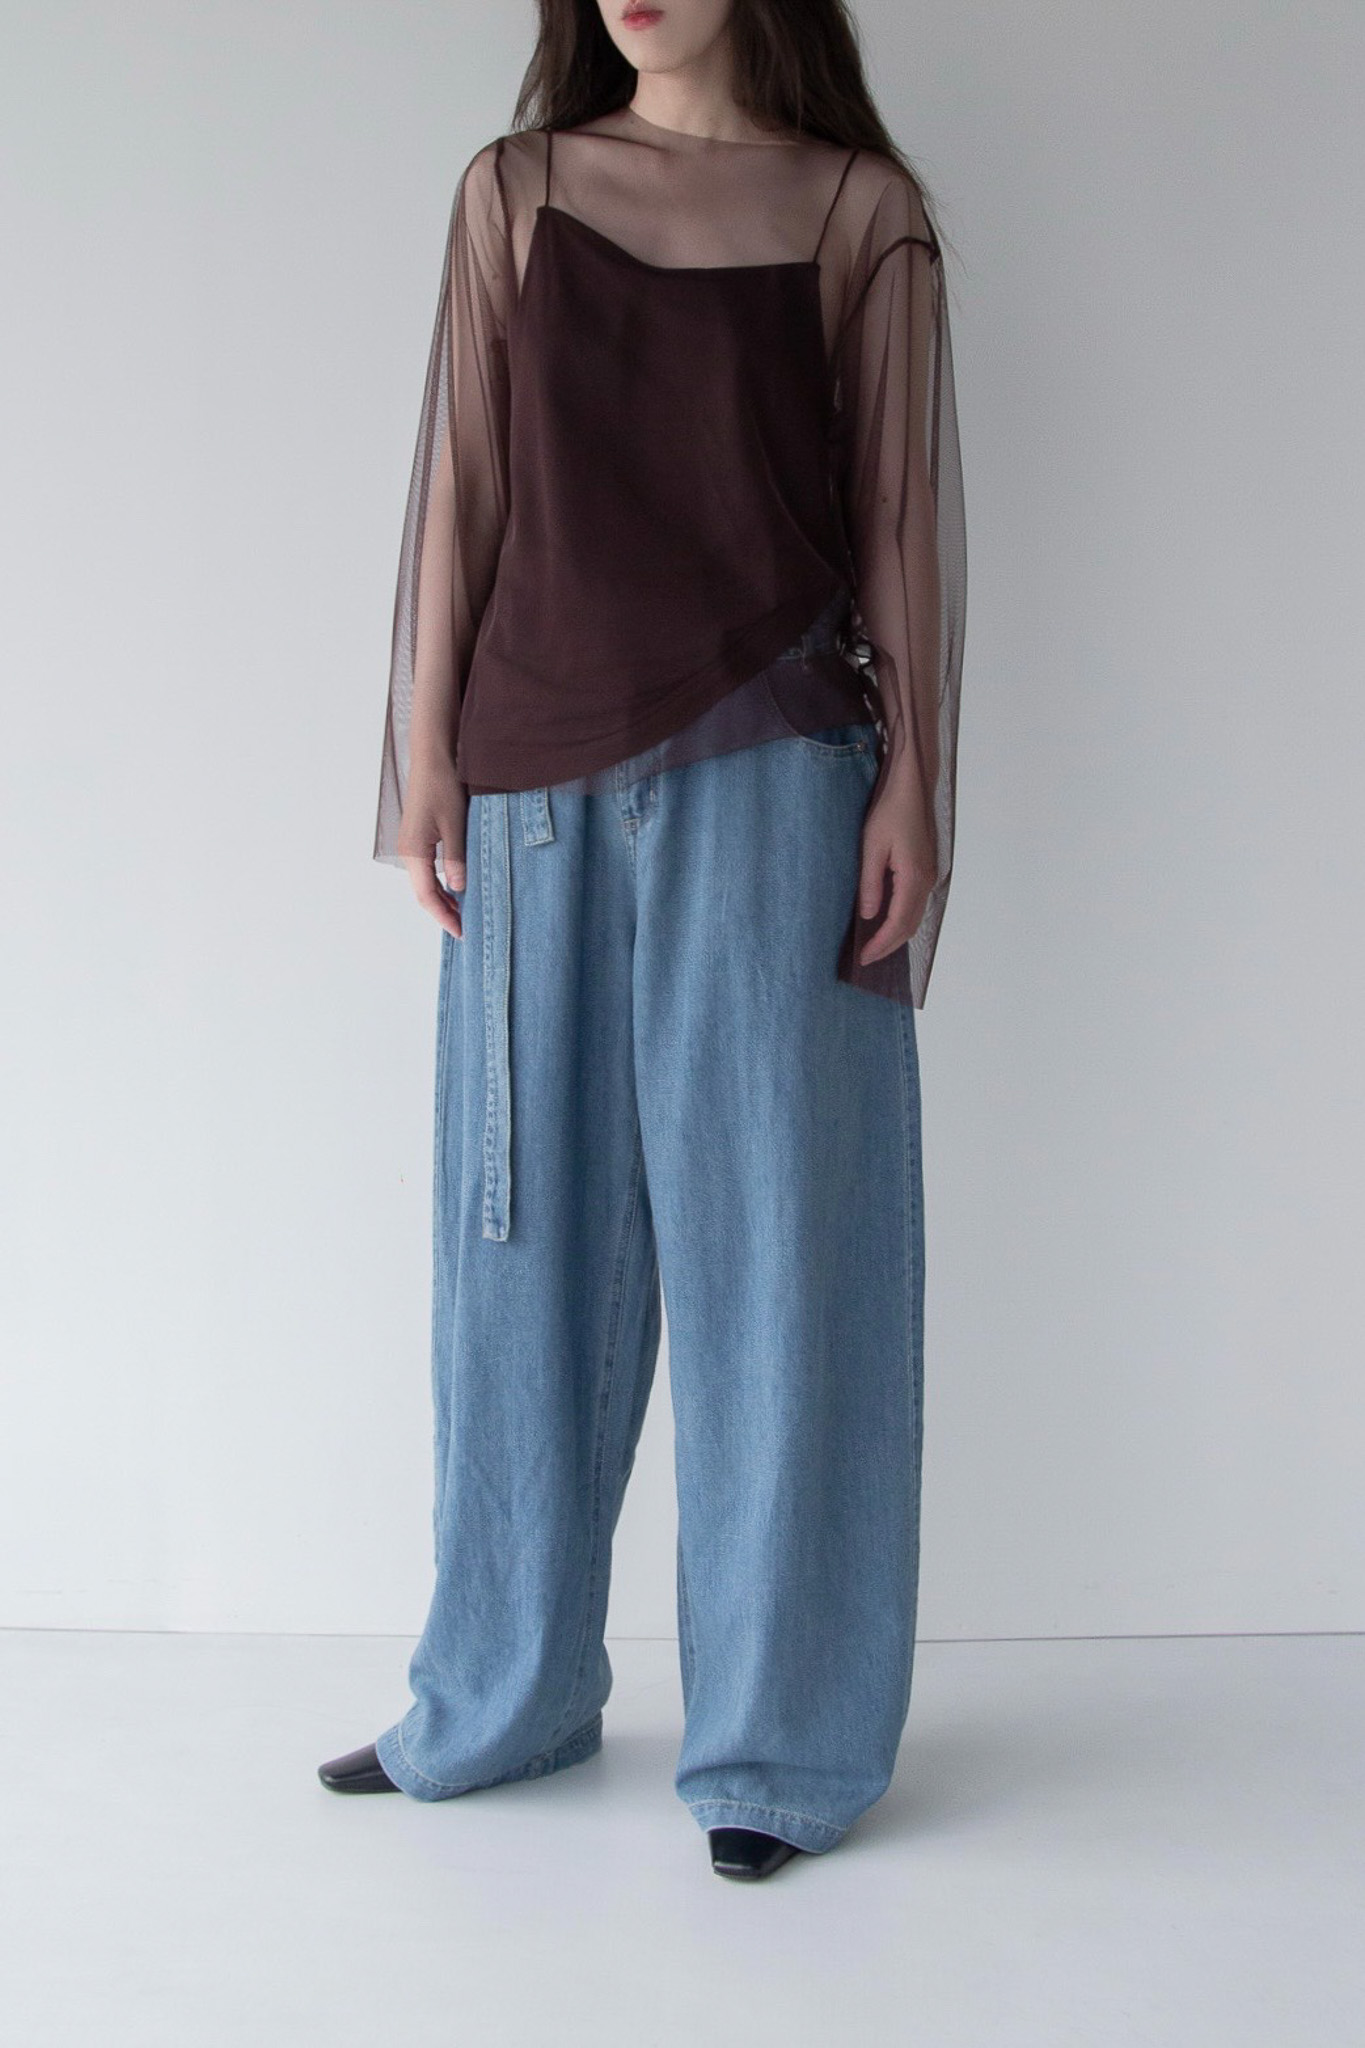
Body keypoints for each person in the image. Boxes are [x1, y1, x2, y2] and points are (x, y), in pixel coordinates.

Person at [320, 0, 966, 1884]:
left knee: (783, 1265)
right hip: (530, 784)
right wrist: (425, 763)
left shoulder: (855, 210)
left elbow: (896, 525)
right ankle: (501, 1695)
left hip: (779, 774)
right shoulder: (514, 190)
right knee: (516, 1253)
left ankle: (780, 1745)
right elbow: (464, 487)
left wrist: (913, 780)